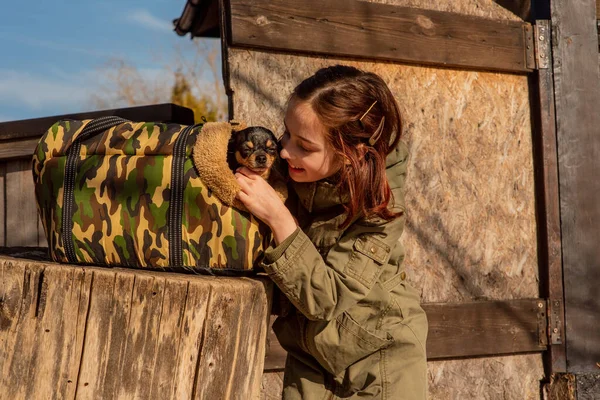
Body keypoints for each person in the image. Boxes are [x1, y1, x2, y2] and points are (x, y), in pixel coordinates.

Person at [235, 65, 428, 399]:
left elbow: (328, 298)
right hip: (309, 357)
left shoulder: (381, 209)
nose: (284, 152)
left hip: (379, 358)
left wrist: (280, 220)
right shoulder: (287, 172)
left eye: (304, 147)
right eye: (286, 134)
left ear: (351, 154)